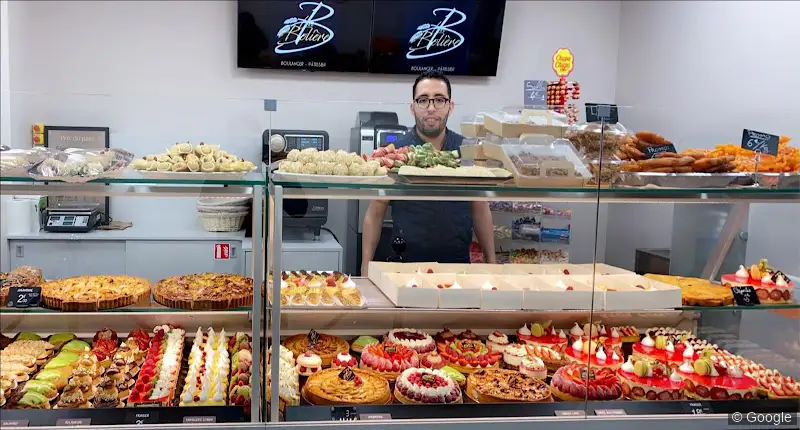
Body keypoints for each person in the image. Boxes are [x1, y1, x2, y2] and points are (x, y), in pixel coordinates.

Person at [361, 71, 495, 275]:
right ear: (412, 107)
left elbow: (480, 209)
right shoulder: (396, 152)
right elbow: (375, 213)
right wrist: (365, 266)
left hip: (458, 266)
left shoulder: (466, 150)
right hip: (406, 266)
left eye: (439, 100)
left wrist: (491, 262)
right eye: (423, 100)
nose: (431, 108)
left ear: (450, 106)